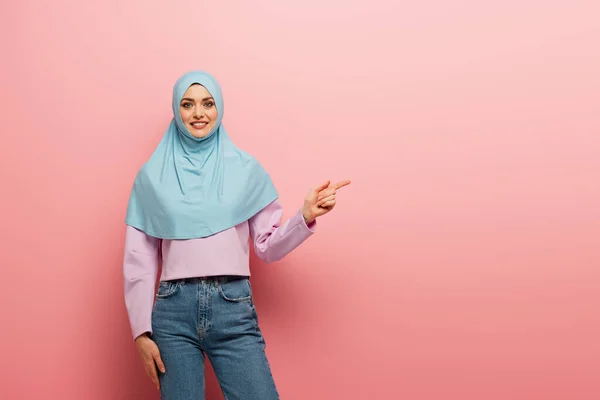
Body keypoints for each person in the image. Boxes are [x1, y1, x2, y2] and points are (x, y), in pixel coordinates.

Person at [122, 70, 350, 399]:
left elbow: (268, 247)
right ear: (176, 109)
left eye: (208, 103)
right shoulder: (151, 176)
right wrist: (141, 332)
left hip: (232, 307)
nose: (198, 113)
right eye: (188, 104)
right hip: (172, 313)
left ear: (219, 108)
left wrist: (305, 216)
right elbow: (138, 259)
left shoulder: (245, 170)